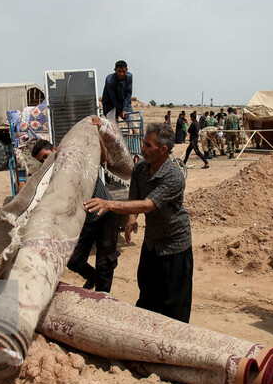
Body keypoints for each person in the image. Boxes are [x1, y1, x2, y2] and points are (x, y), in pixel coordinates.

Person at [83, 123, 193, 323]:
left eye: (148, 145)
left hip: (174, 245)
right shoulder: (141, 168)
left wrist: (108, 204)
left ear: (163, 150)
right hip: (152, 243)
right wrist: (131, 219)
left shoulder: (173, 177)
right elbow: (135, 194)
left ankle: (173, 344)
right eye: (143, 143)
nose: (142, 149)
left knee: (174, 302)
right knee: (147, 292)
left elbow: (147, 205)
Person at [32, 119, 120, 293]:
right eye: (41, 160)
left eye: (46, 156)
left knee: (105, 263)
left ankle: (103, 300)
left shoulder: (76, 159)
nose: (45, 161)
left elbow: (102, 158)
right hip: (86, 219)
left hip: (104, 214)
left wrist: (97, 136)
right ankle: (92, 277)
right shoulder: (52, 175)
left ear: (55, 149)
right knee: (74, 261)